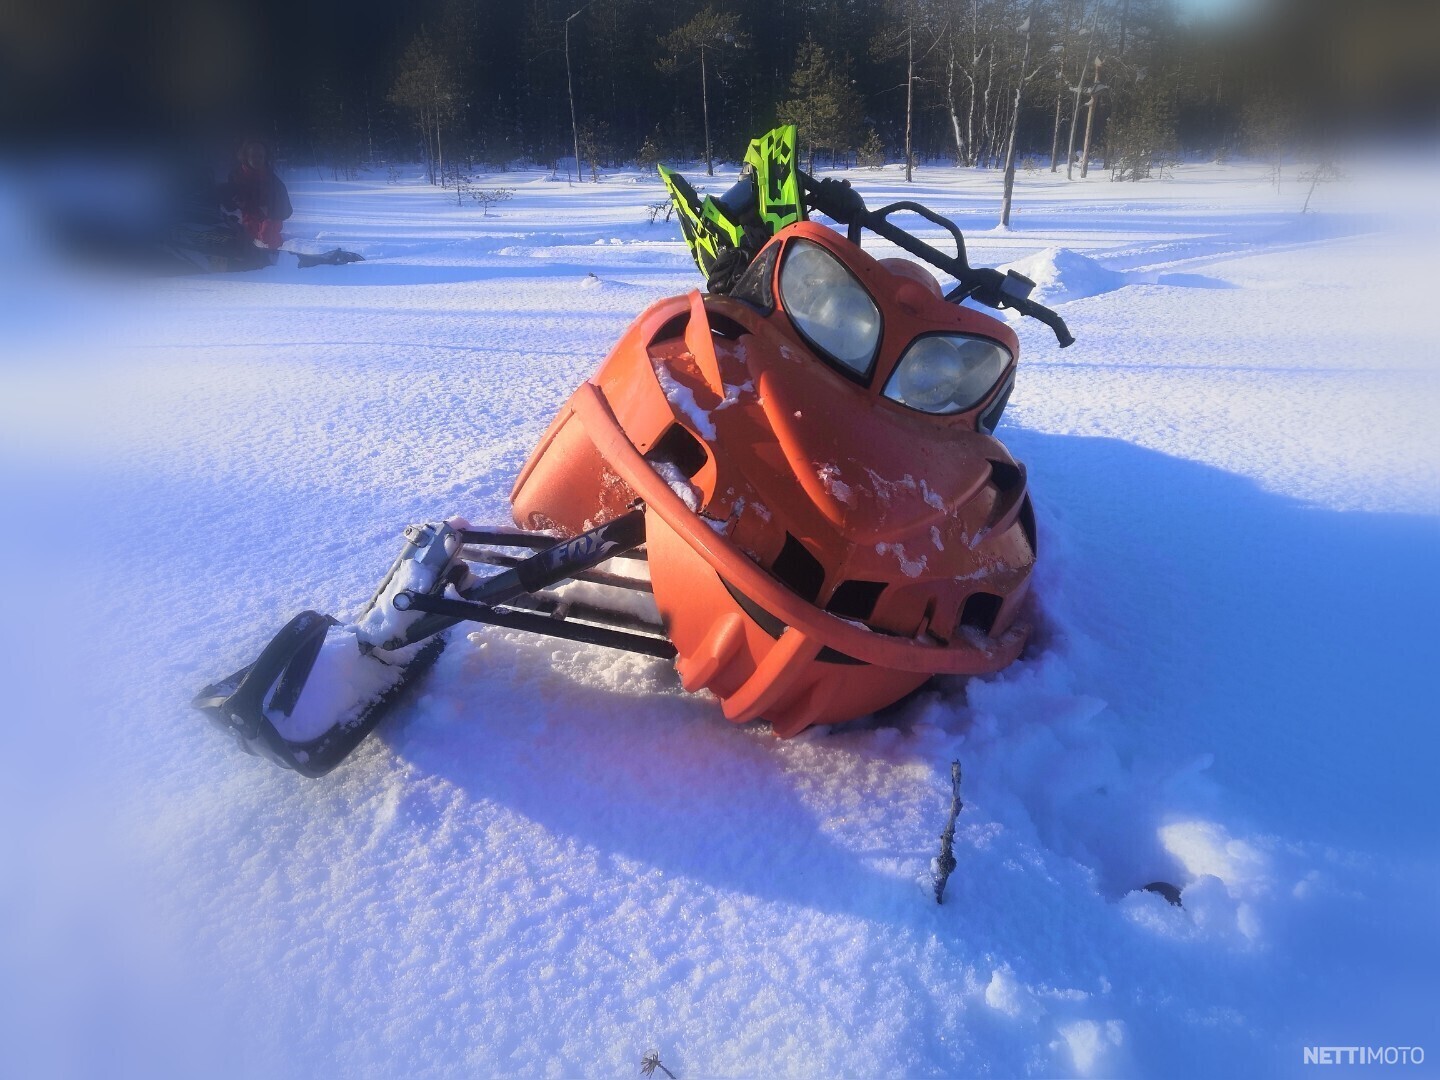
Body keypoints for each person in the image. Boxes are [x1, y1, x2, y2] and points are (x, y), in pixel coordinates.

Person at [222, 139, 292, 250]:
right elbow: (228, 203)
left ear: (265, 158)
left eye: (260, 156)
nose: (257, 160)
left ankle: (278, 260)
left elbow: (286, 208)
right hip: (248, 218)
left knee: (267, 234)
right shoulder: (237, 177)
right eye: (253, 156)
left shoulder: (272, 180)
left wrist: (270, 217)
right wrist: (236, 203)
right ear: (246, 157)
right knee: (245, 237)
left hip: (271, 218)